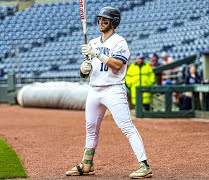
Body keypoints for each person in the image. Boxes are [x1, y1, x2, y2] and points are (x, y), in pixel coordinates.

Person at [65, 7, 153, 179]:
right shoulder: (93, 42)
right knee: (90, 128)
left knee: (126, 126)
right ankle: (87, 164)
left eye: (105, 20)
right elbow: (85, 72)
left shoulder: (120, 42)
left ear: (114, 22)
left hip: (114, 88)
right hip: (94, 89)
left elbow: (117, 65)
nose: (101, 23)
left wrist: (97, 54)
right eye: (99, 20)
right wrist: (83, 69)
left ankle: (144, 165)